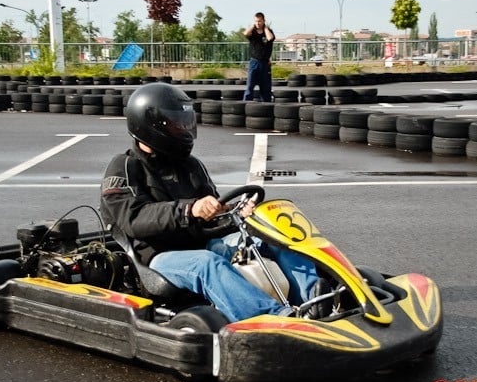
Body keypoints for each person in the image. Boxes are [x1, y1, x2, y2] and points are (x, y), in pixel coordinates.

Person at [100, 83, 331, 323]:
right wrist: (189, 210)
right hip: (159, 256)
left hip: (205, 242)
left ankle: (313, 300)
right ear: (151, 125)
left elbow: (214, 212)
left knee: (273, 239)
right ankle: (275, 318)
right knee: (208, 264)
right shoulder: (125, 167)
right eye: (176, 124)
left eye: (185, 122)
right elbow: (134, 220)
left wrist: (236, 213)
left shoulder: (190, 165)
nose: (184, 129)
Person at [243, 12, 275, 102]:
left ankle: (266, 108)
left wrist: (265, 28)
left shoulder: (268, 31)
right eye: (256, 21)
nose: (258, 23)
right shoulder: (252, 32)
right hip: (254, 62)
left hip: (265, 63)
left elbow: (270, 38)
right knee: (250, 86)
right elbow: (245, 33)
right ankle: (245, 105)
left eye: (259, 21)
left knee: (265, 89)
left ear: (263, 21)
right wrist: (253, 26)